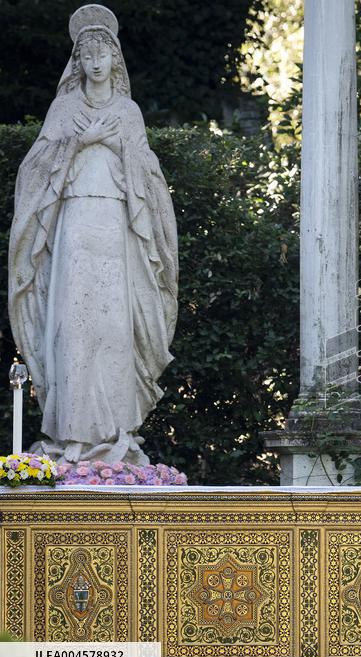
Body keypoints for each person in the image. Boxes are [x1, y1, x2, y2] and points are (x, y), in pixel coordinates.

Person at [7, 4, 177, 465]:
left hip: (117, 229)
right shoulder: (63, 109)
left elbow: (149, 176)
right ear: (77, 61)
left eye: (103, 53)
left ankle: (113, 433)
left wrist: (115, 142)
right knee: (72, 327)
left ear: (114, 59)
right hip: (74, 227)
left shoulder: (128, 111)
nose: (96, 61)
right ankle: (72, 436)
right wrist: (79, 142)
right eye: (87, 54)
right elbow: (35, 171)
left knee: (113, 328)